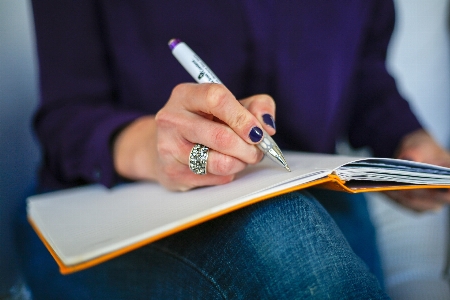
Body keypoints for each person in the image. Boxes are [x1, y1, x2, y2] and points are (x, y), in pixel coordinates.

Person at [16, 0, 450, 298]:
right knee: (286, 237)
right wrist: (155, 148)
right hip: (112, 212)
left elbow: (362, 73)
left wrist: (406, 138)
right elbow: (65, 118)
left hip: (318, 194)